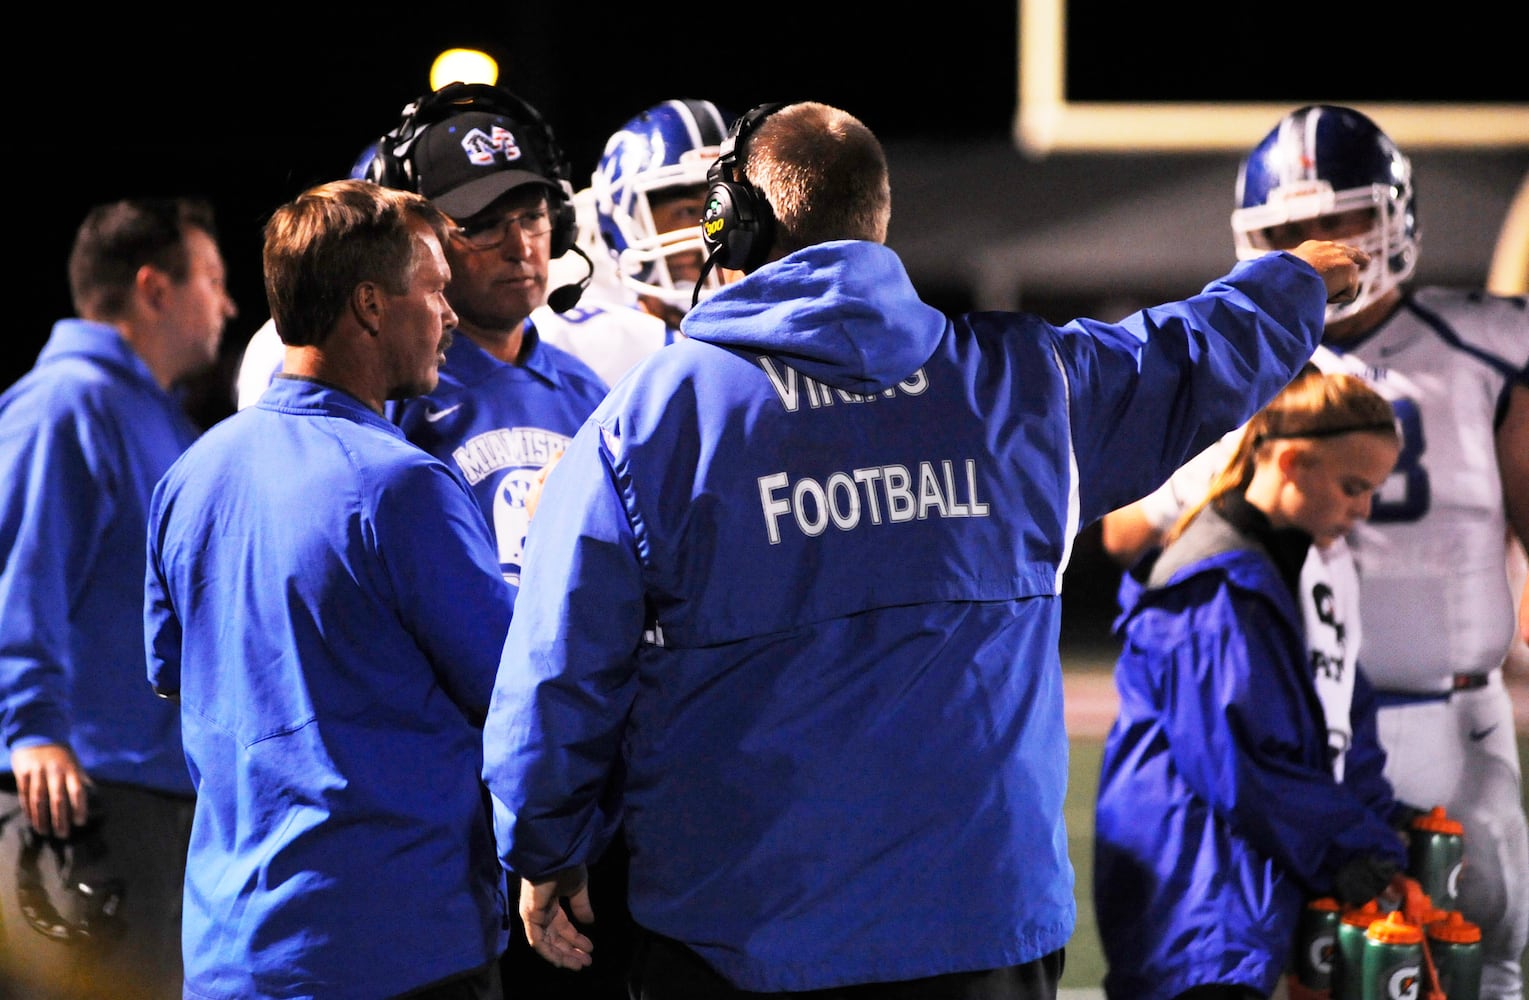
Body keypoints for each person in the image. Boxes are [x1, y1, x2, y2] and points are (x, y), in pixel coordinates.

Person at [479, 99, 1369, 998]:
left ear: (731, 223)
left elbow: (558, 672)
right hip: (982, 928)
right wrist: (1290, 283)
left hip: (742, 931)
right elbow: (1189, 353)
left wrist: (546, 846)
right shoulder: (1026, 384)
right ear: (878, 220)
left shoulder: (648, 421)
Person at [1098, 104, 1529, 1000]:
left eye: (1343, 220)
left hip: (1425, 718)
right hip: (1300, 741)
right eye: (1292, 231)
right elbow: (1122, 529)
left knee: (1473, 965)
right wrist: (1215, 465)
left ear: (1394, 218)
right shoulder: (1225, 392)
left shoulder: (1481, 342)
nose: (1323, 248)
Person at [144, 178, 516, 999]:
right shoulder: (401, 486)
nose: (449, 315)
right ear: (371, 306)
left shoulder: (186, 477)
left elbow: (174, 675)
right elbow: (515, 691)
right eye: (434, 291)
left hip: (229, 952)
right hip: (394, 948)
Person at [1093, 366, 1412, 1000]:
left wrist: (1383, 823)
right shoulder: (1212, 584)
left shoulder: (1298, 568)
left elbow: (1340, 712)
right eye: (1353, 486)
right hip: (1199, 897)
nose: (1364, 508)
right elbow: (1239, 763)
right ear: (1291, 462)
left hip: (1245, 885)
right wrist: (1356, 847)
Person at [0, 197, 235, 999]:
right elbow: (19, 565)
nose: (228, 305)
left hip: (150, 794)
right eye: (211, 279)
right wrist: (29, 728)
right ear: (153, 289)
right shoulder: (64, 402)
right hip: (75, 797)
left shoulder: (160, 421)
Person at [536, 97, 735, 389]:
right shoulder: (583, 343)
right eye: (687, 212)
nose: (713, 229)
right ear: (620, 225)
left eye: (728, 205)